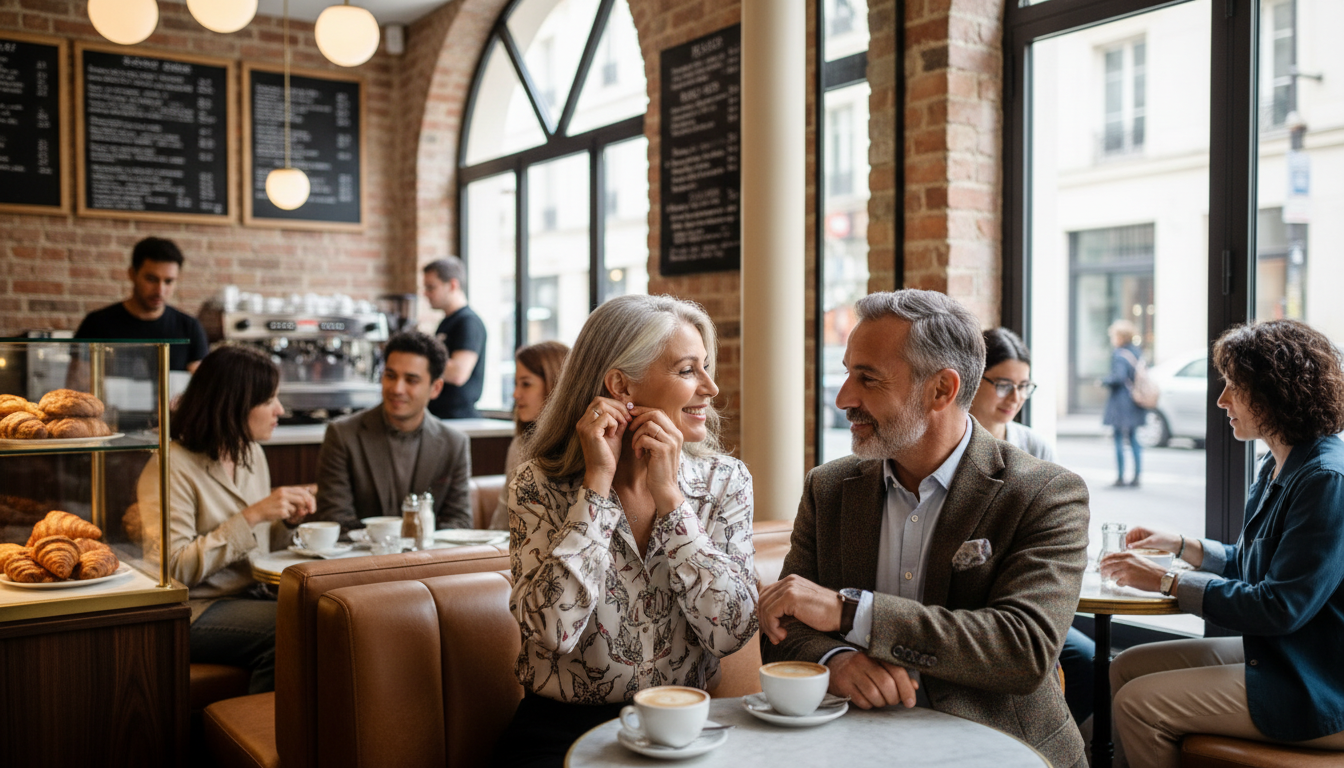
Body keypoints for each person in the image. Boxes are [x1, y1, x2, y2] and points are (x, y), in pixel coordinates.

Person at [759, 289, 1090, 768]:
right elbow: (783, 625)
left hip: (1001, 749)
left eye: (867, 379)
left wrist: (850, 613)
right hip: (851, 745)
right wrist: (837, 662)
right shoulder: (828, 488)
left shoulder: (1045, 492)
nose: (843, 398)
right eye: (848, 373)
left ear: (941, 390)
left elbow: (1024, 648)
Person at [494, 295, 758, 768]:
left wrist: (672, 500)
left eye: (707, 367)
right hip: (560, 731)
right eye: (687, 370)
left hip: (686, 729)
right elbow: (554, 630)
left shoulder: (727, 481)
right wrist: (595, 486)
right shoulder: (538, 484)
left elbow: (733, 631)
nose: (711, 387)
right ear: (621, 384)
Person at [1101, 319, 1344, 767]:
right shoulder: (1278, 464)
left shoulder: (1326, 479)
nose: (1221, 400)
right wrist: (1183, 545)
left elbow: (1279, 606)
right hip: (1290, 656)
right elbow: (1256, 565)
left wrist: (1168, 580)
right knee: (1125, 666)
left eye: (1234, 387)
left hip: (1319, 680)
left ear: (1276, 393)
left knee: (1138, 703)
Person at [137, 345, 315, 694]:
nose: (280, 410)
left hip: (252, 595)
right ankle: (263, 740)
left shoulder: (251, 454)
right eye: (269, 401)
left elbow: (258, 550)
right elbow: (173, 570)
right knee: (291, 630)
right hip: (193, 609)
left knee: (331, 614)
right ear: (234, 404)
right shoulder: (170, 466)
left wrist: (287, 522)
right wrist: (251, 516)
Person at [970, 327, 1095, 725]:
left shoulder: (1035, 447)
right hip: (975, 599)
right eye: (1004, 384)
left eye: (1025, 386)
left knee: (1090, 663)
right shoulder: (951, 448)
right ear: (972, 378)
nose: (1016, 398)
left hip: (1022, 591)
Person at [315, 330, 472, 534]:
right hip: (361, 561)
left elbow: (459, 522)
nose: (397, 388)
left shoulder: (454, 443)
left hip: (428, 561)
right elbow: (335, 519)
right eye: (390, 376)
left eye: (411, 380)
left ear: (435, 388)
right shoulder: (342, 435)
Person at [74, 237, 209, 374]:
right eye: (151, 279)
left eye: (168, 281)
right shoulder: (96, 324)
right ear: (132, 274)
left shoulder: (190, 327)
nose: (160, 291)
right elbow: (77, 384)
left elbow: (199, 389)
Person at [487, 340, 569, 530]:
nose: (515, 394)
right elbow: (504, 514)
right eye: (516, 384)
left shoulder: (581, 446)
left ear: (555, 384)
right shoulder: (520, 443)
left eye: (526, 384)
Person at [423, 257, 486, 419]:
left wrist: (419, 360)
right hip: (441, 415)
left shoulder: (468, 322)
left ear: (452, 285)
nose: (426, 294)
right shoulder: (446, 323)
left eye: (431, 287)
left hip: (458, 418)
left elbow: (458, 373)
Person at [1102, 319, 1146, 487]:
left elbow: (1118, 377)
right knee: (1134, 438)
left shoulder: (1119, 354)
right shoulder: (1137, 352)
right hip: (1136, 400)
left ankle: (1120, 477)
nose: (1112, 338)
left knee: (1119, 438)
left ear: (1120, 336)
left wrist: (1104, 381)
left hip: (1121, 402)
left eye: (1114, 335)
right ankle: (1136, 477)